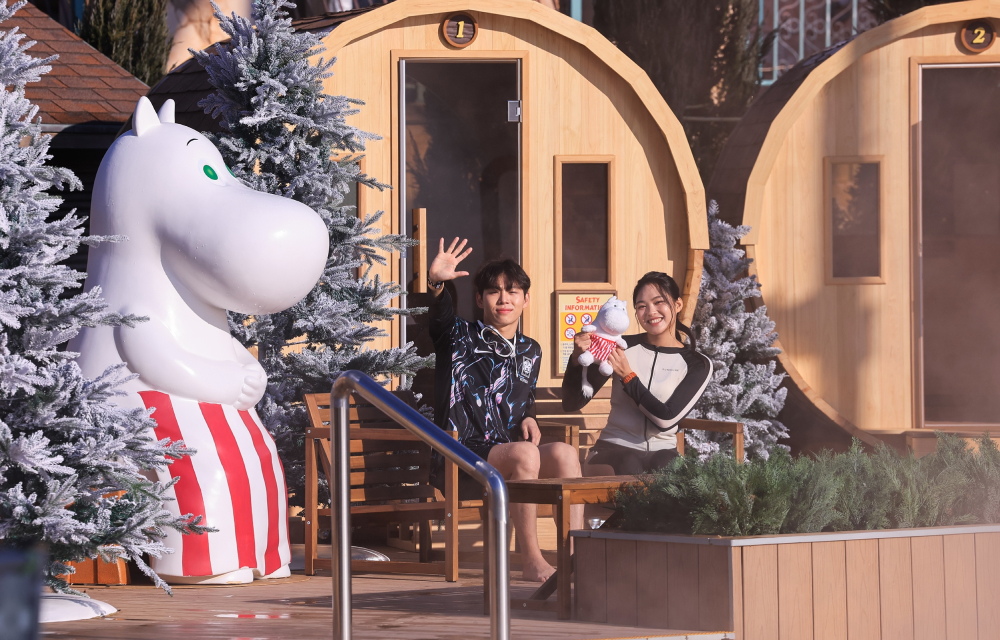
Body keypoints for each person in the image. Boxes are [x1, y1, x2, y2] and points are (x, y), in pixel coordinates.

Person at [427, 238, 582, 582]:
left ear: (526, 299)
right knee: (527, 455)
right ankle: (531, 560)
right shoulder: (458, 336)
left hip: (505, 452)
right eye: (494, 291)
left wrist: (529, 416)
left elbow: (523, 400)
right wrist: (437, 284)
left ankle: (576, 557)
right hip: (458, 456)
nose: (504, 299)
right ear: (480, 299)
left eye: (512, 291)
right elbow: (439, 316)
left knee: (566, 454)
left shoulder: (531, 350)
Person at [562, 271, 713, 475]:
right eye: (641, 306)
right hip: (611, 449)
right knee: (630, 464)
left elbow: (666, 420)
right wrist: (575, 360)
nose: (650, 311)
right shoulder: (620, 347)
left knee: (669, 470)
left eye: (658, 302)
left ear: (677, 305)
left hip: (663, 452)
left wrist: (628, 377)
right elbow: (573, 403)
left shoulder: (697, 364)